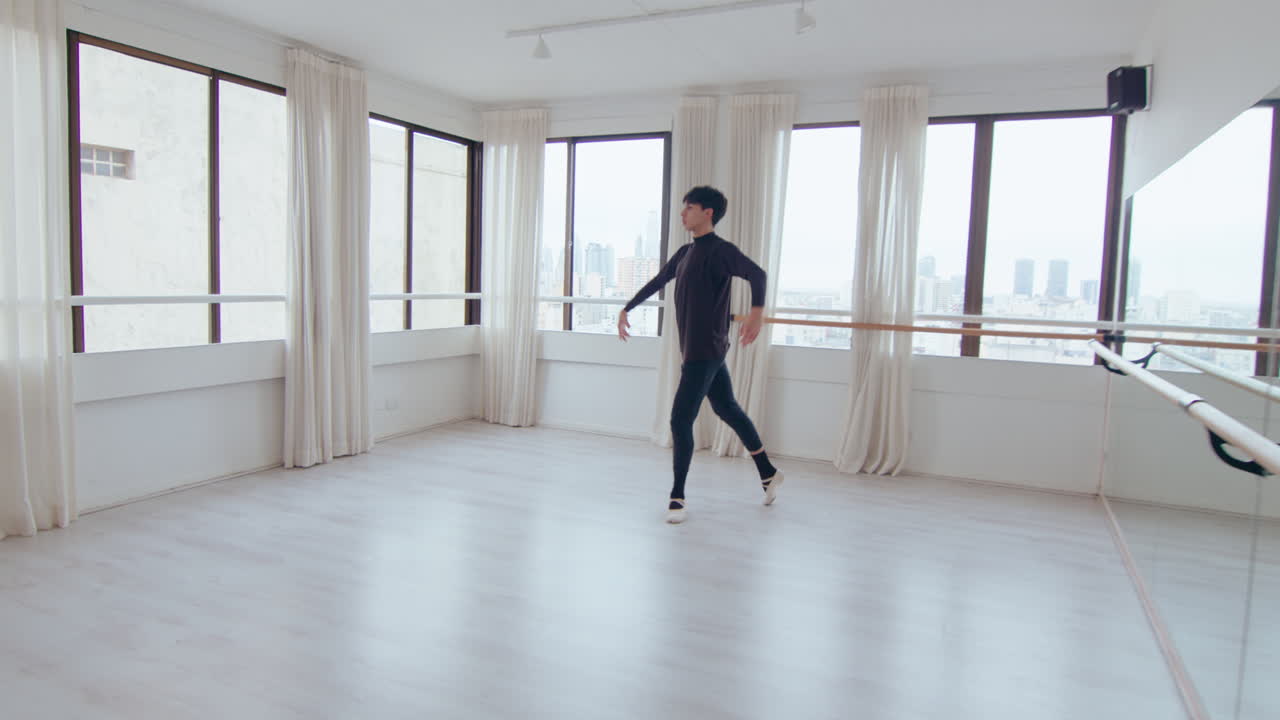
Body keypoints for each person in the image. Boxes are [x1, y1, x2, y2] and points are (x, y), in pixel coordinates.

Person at [618, 185, 783, 524]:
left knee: (680, 420)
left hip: (705, 349)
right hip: (697, 348)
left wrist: (756, 313)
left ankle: (677, 497)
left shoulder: (722, 251)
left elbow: (758, 274)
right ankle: (768, 471)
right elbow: (658, 280)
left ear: (708, 212)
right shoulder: (683, 253)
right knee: (727, 409)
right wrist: (627, 308)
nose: (683, 213)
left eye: (689, 207)